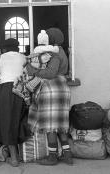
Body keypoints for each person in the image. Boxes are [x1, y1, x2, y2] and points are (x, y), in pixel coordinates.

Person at [26, 28, 73, 165]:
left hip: (51, 89)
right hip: (62, 87)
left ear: (50, 39)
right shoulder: (62, 51)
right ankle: (67, 155)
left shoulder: (52, 53)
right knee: (60, 124)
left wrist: (32, 69)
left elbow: (50, 73)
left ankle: (52, 157)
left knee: (50, 125)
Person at [0, 38, 27, 167]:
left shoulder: (0, 58)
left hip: (4, 90)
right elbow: (26, 74)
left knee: (7, 121)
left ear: (5, 48)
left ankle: (14, 158)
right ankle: (19, 154)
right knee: (20, 120)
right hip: (21, 88)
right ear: (17, 47)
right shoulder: (23, 57)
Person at [12, 30, 59, 105]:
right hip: (39, 78)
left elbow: (50, 73)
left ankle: (26, 99)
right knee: (26, 86)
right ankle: (26, 98)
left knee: (25, 85)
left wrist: (31, 69)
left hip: (38, 78)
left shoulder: (42, 54)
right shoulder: (50, 54)